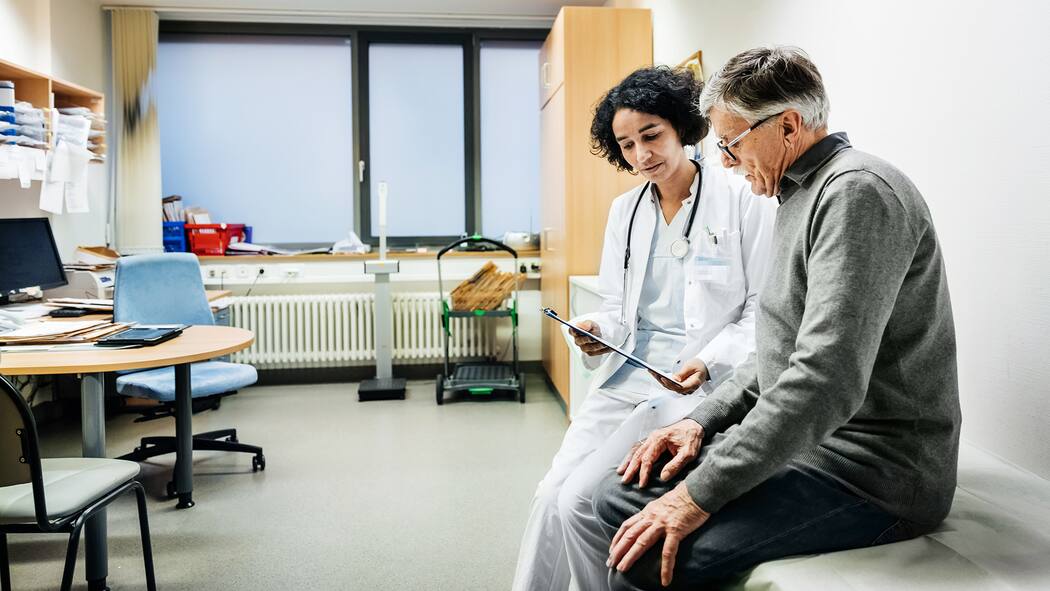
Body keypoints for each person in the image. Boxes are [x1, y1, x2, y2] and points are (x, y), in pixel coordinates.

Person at [591, 46, 961, 591]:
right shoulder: (798, 196)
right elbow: (776, 351)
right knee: (614, 495)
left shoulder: (857, 195)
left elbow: (824, 381)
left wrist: (696, 496)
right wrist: (699, 422)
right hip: (816, 446)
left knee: (643, 558)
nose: (724, 162)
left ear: (788, 126)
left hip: (872, 473)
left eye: (732, 143)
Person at [512, 65, 776, 591]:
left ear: (682, 126)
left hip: (691, 387)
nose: (641, 155)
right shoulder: (625, 211)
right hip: (627, 372)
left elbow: (761, 312)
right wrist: (592, 328)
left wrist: (706, 362)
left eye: (651, 135)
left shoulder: (742, 198)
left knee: (577, 502)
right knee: (549, 495)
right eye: (626, 145)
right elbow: (617, 305)